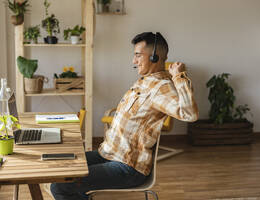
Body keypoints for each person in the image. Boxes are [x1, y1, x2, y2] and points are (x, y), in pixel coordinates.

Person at [50, 32, 199, 200]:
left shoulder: (161, 88)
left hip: (127, 167)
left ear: (155, 57)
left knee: (60, 186)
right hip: (107, 154)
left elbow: (190, 114)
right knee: (59, 167)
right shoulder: (143, 81)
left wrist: (179, 77)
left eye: (138, 55)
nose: (133, 61)